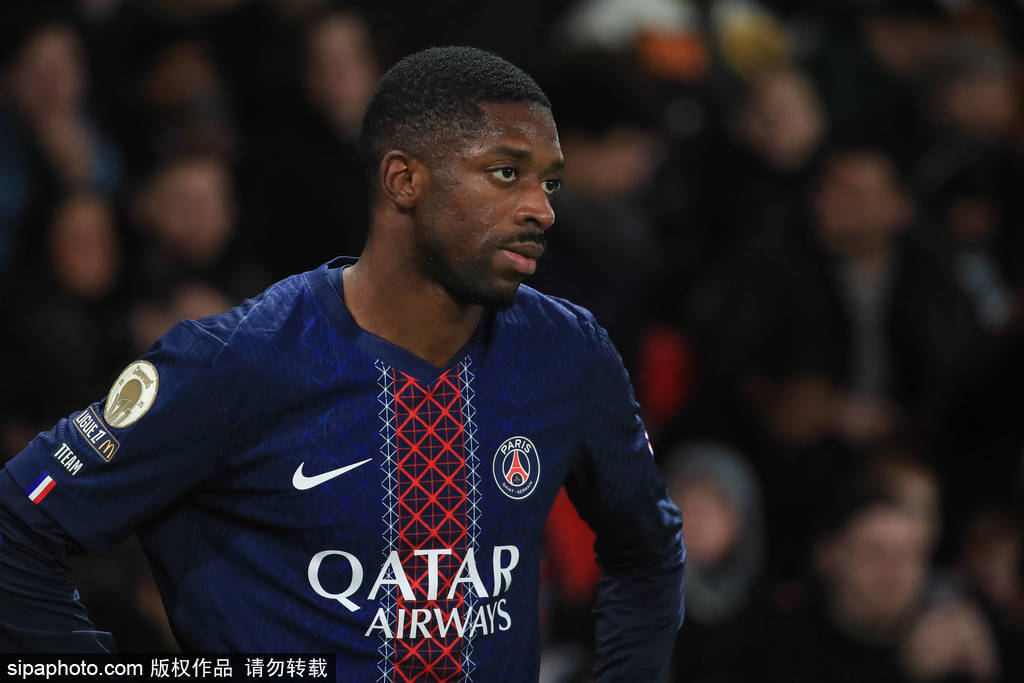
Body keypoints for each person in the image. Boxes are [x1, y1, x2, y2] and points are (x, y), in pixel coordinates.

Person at [0, 46, 686, 681]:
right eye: (506, 174)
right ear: (404, 180)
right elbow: (18, 523)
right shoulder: (238, 363)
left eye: (550, 183)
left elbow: (649, 552)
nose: (540, 210)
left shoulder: (569, 352)